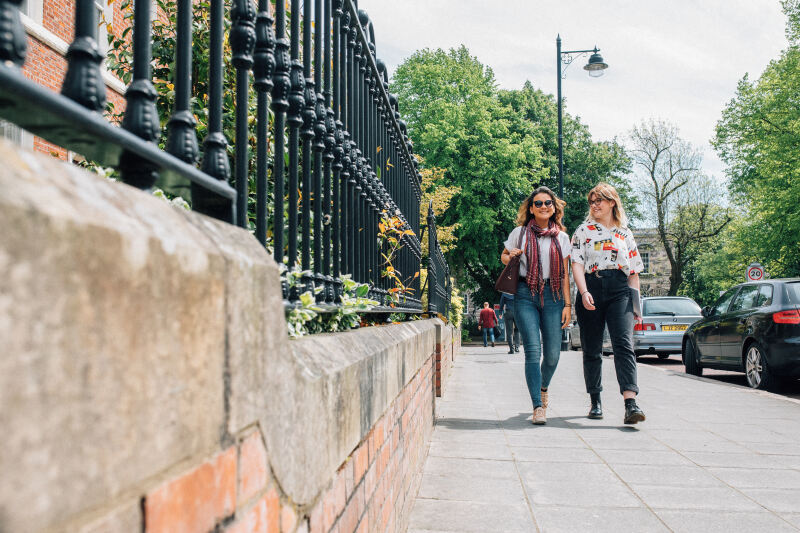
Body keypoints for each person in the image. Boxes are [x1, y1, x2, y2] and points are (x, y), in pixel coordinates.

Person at [571, 182, 646, 425]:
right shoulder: (583, 231)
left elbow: (634, 271)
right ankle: (595, 401)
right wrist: (583, 292)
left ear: (612, 202)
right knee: (592, 348)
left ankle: (630, 403)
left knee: (624, 344)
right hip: (592, 287)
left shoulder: (625, 233)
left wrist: (637, 308)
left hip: (620, 290)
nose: (594, 205)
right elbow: (577, 264)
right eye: (591, 202)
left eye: (599, 201)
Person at [501, 186, 571, 425]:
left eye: (547, 203)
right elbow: (504, 255)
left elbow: (564, 274)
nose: (543, 207)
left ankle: (543, 387)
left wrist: (568, 304)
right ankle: (537, 406)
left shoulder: (562, 237)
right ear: (531, 208)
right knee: (533, 351)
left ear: (554, 208)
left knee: (552, 355)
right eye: (538, 203)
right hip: (524, 293)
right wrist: (511, 256)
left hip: (553, 295)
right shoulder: (519, 232)